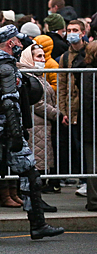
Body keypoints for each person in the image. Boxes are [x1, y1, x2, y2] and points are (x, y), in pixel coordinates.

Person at [0, 25, 64, 241]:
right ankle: (38, 224)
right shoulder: (6, 67)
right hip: (4, 130)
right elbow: (10, 103)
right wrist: (16, 134)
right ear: (10, 43)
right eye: (18, 42)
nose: (21, 45)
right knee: (30, 174)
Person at [18, 44, 68, 207]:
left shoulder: (38, 75)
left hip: (42, 126)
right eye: (38, 56)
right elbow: (36, 103)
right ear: (29, 58)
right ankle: (35, 201)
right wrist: (57, 114)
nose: (43, 59)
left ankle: (35, 199)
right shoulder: (28, 76)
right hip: (35, 126)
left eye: (43, 56)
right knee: (35, 166)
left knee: (37, 166)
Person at [58, 20, 87, 195]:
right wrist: (63, 110)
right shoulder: (65, 57)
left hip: (87, 107)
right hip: (73, 108)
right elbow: (62, 86)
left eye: (75, 30)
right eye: (69, 30)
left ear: (83, 33)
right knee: (78, 146)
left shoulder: (90, 53)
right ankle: (83, 179)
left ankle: (87, 180)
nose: (71, 33)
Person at [82, 41, 97, 211]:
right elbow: (89, 100)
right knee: (93, 165)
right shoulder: (89, 73)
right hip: (91, 125)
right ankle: (93, 200)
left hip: (90, 124)